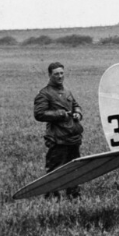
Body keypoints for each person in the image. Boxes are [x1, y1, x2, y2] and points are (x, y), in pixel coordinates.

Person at [33, 62, 84, 200]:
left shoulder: (67, 91)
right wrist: (60, 114)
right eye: (56, 74)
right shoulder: (44, 94)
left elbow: (76, 105)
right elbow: (39, 114)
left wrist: (78, 114)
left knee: (75, 169)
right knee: (55, 170)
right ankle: (51, 198)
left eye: (62, 73)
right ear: (50, 75)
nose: (60, 76)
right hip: (57, 139)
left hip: (73, 138)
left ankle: (74, 195)